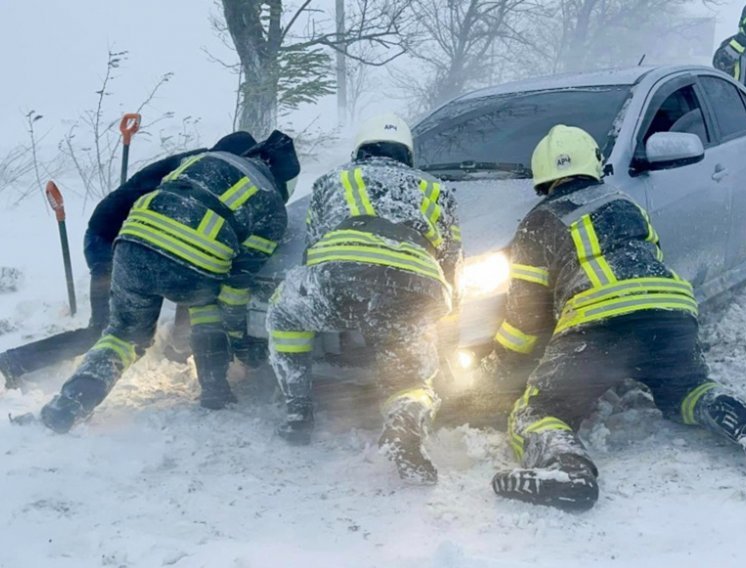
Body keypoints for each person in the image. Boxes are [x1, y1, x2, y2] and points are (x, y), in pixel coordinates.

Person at [481, 125, 746, 512]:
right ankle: (731, 411)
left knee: (540, 411)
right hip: (671, 314)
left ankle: (567, 470)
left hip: (597, 326)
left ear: (542, 175)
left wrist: (499, 364)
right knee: (685, 389)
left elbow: (525, 321)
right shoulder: (625, 204)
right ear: (593, 164)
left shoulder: (538, 222)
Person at [39, 130, 300, 433]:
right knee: (207, 305)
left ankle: (71, 402)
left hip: (131, 247)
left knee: (123, 335)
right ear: (283, 182)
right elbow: (236, 285)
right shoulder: (271, 205)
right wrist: (239, 341)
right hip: (192, 266)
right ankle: (215, 391)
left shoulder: (203, 160)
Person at [267, 113, 462, 484]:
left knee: (285, 313)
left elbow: (313, 248)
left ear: (359, 149)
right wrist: (443, 323)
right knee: (411, 376)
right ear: (408, 154)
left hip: (341, 276)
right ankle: (405, 421)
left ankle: (298, 410)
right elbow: (452, 264)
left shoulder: (334, 179)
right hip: (414, 287)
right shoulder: (438, 189)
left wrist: (331, 298)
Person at [0, 132, 257, 388]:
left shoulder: (201, 165)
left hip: (129, 238)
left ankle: (178, 349)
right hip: (111, 241)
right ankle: (13, 362)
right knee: (104, 330)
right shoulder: (204, 173)